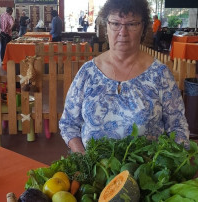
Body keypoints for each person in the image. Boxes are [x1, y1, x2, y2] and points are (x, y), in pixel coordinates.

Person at [59, 0, 190, 154]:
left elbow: (177, 127)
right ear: (106, 26)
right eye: (115, 23)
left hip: (147, 174)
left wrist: (171, 167)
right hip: (94, 173)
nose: (123, 32)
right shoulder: (87, 73)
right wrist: (84, 160)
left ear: (143, 28)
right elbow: (68, 124)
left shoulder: (160, 75)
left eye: (132, 24)